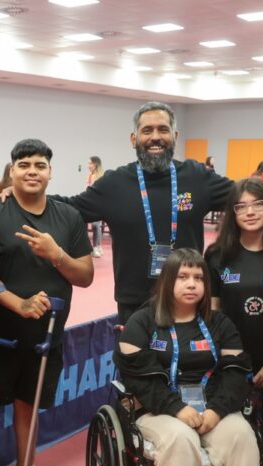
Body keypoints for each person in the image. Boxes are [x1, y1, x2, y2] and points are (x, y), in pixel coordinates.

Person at [115, 248, 262, 466]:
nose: (192, 284)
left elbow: (237, 374)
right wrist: (175, 407)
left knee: (242, 436)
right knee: (180, 438)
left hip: (210, 410)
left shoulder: (220, 324)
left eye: (198, 277)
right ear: (167, 281)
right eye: (182, 277)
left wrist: (217, 410)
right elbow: (137, 376)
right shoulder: (142, 321)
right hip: (157, 411)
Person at [52, 101, 233, 323]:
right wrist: (22, 196)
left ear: (175, 136)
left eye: (163, 129)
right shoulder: (114, 183)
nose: (155, 137)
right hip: (134, 303)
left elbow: (247, 196)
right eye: (147, 130)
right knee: (134, 358)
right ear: (133, 139)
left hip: (189, 300)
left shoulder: (197, 177)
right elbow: (69, 206)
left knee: (189, 359)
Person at [0, 138, 94, 466]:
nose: (32, 171)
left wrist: (57, 255)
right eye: (24, 165)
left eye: (39, 165)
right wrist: (17, 302)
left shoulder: (68, 217)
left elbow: (84, 276)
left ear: (50, 171)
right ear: (12, 171)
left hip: (47, 333)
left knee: (28, 404)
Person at [205, 178, 263, 466]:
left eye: (258, 204)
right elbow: (211, 313)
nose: (250, 212)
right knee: (228, 425)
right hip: (229, 359)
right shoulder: (217, 255)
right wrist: (225, 358)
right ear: (233, 213)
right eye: (241, 206)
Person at [86, 156, 106, 257]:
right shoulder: (89, 176)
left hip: (99, 204)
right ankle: (93, 247)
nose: (88, 166)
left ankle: (96, 247)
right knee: (94, 225)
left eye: (90, 163)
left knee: (96, 226)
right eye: (88, 163)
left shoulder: (101, 176)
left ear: (96, 164)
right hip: (90, 204)